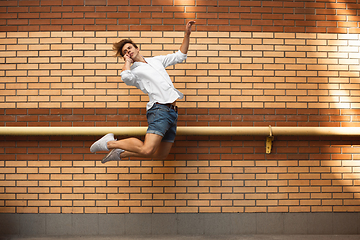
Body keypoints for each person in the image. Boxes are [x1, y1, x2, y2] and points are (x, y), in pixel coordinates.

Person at [90, 20, 196, 163]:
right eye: (125, 52)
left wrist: (187, 34)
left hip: (172, 112)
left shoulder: (156, 61)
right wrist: (127, 62)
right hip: (160, 110)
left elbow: (180, 56)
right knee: (147, 149)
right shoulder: (134, 71)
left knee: (160, 154)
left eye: (129, 48)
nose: (128, 51)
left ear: (136, 48)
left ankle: (120, 154)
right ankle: (110, 143)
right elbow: (125, 77)